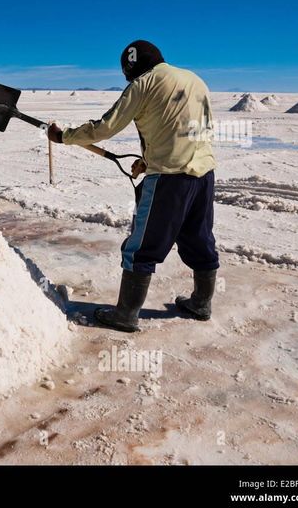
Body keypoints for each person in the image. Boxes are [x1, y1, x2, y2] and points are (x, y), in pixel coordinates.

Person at [47, 40, 219, 332]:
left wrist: (64, 136)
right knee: (199, 238)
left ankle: (125, 314)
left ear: (132, 67)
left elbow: (104, 128)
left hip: (168, 179)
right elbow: (187, 128)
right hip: (203, 173)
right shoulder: (194, 79)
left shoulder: (143, 84)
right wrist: (148, 160)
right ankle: (202, 303)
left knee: (140, 248)